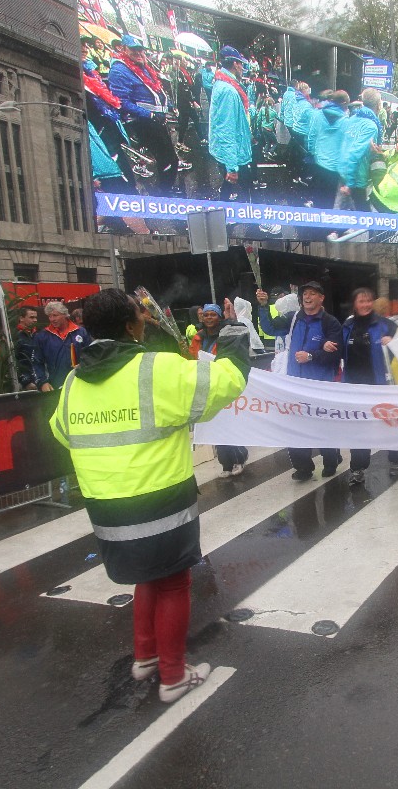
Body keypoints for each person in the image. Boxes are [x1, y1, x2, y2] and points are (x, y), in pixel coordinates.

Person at [50, 288, 249, 703]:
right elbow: (227, 383)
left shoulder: (73, 381)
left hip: (106, 507)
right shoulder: (157, 369)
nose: (145, 320)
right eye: (140, 315)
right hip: (159, 501)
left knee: (147, 578)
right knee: (173, 582)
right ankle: (173, 677)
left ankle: (146, 657)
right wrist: (233, 333)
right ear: (130, 326)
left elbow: (62, 432)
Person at [255, 281, 343, 481]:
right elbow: (270, 328)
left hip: (320, 386)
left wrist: (311, 356)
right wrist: (263, 306)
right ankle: (303, 467)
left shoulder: (330, 323)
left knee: (323, 426)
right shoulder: (294, 318)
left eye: (312, 293)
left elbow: (336, 356)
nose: (308, 297)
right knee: (295, 427)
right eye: (305, 294)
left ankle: (331, 460)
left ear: (321, 298)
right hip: (295, 385)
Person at [341, 287, 398, 483]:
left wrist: (394, 342)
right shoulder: (348, 326)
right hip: (355, 388)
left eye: (369, 300)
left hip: (381, 385)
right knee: (359, 429)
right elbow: (339, 351)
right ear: (354, 304)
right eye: (361, 301)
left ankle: (395, 460)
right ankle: (358, 468)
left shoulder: (386, 325)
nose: (366, 304)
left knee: (389, 424)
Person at [108, 35, 180, 193]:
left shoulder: (144, 67)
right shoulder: (119, 70)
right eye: (134, 49)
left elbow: (156, 90)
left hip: (157, 120)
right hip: (142, 122)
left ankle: (165, 189)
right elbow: (121, 102)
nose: (139, 53)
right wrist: (150, 115)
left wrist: (170, 106)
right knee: (169, 160)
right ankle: (164, 193)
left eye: (141, 50)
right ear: (123, 49)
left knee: (168, 159)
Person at [189, 303, 250, 478]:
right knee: (215, 424)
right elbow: (192, 357)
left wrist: (232, 321)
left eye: (213, 315)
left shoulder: (226, 333)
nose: (209, 318)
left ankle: (239, 457)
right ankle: (226, 464)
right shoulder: (198, 337)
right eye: (206, 315)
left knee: (228, 423)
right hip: (206, 383)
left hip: (223, 381)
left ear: (219, 317)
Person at [209, 46, 256, 201]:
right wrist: (232, 167)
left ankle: (224, 209)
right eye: (241, 64)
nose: (243, 68)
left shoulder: (222, 83)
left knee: (228, 185)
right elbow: (226, 129)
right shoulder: (229, 91)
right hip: (233, 153)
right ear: (235, 64)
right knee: (247, 187)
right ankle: (253, 215)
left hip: (230, 151)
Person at [338, 89, 383, 212]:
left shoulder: (352, 119)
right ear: (378, 105)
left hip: (344, 173)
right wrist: (350, 184)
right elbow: (354, 154)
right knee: (364, 214)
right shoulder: (371, 126)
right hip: (357, 179)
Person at [306, 91, 351, 210]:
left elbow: (311, 136)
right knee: (329, 200)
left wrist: (311, 153)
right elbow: (346, 146)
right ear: (343, 103)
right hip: (334, 168)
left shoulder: (318, 114)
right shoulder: (346, 121)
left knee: (318, 195)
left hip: (319, 161)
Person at [33, 301, 89, 392]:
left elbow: (91, 354)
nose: (52, 319)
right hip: (55, 386)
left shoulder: (81, 332)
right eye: (49, 316)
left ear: (64, 314)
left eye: (55, 315)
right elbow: (36, 362)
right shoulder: (42, 336)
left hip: (81, 383)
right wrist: (42, 382)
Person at [371, 118, 398, 218]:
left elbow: (383, 187)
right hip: (383, 204)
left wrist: (377, 158)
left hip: (391, 210)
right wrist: (381, 154)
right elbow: (392, 153)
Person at [16, 305, 40, 390]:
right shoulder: (15, 336)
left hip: (39, 378)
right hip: (25, 383)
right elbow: (14, 362)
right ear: (21, 318)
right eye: (31, 317)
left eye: (36, 317)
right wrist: (26, 382)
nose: (35, 320)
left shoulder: (37, 335)